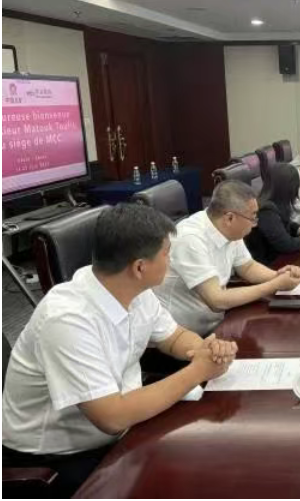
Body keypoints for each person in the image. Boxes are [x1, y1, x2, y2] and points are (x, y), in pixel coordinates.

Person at [2, 204, 238, 498]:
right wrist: (197, 372)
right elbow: (112, 417)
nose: (171, 259)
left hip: (122, 426)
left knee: (209, 456)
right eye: (167, 253)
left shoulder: (131, 289)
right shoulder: (67, 319)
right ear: (139, 267)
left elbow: (173, 337)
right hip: (59, 459)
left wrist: (204, 349)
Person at [154, 180, 300, 336]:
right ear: (230, 218)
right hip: (183, 336)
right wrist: (274, 285)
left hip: (218, 323)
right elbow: (217, 300)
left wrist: (280, 275)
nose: (255, 224)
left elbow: (248, 267)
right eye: (252, 217)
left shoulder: (229, 229)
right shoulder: (190, 239)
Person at [246, 163, 300, 264]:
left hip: (279, 258)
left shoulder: (276, 203)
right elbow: (285, 245)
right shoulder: (266, 210)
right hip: (269, 264)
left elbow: (285, 223)